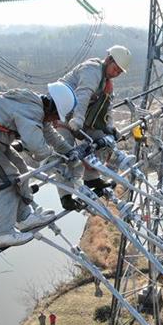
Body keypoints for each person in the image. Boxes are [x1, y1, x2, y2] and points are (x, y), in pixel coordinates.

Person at [0, 84, 77, 247]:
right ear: (52, 109)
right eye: (55, 117)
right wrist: (53, 156)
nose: (54, 122)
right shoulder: (32, 110)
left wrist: (69, 151)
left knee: (22, 168)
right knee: (9, 181)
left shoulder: (36, 106)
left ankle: (24, 218)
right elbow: (37, 147)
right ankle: (1, 233)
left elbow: (49, 134)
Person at [53, 45, 131, 211]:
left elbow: (107, 108)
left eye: (119, 72)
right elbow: (83, 95)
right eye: (115, 69)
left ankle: (91, 178)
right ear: (109, 60)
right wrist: (78, 119)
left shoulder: (107, 83)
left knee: (102, 140)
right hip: (60, 115)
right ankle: (65, 196)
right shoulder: (92, 71)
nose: (115, 73)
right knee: (66, 152)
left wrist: (110, 128)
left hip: (80, 120)